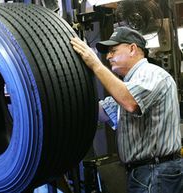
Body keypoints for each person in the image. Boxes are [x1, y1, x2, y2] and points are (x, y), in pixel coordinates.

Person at [70, 26, 182, 193]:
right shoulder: (128, 85)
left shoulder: (151, 74)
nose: (108, 56)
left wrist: (96, 65)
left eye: (113, 50)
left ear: (132, 49)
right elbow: (99, 112)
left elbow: (131, 102)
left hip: (156, 173)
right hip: (144, 172)